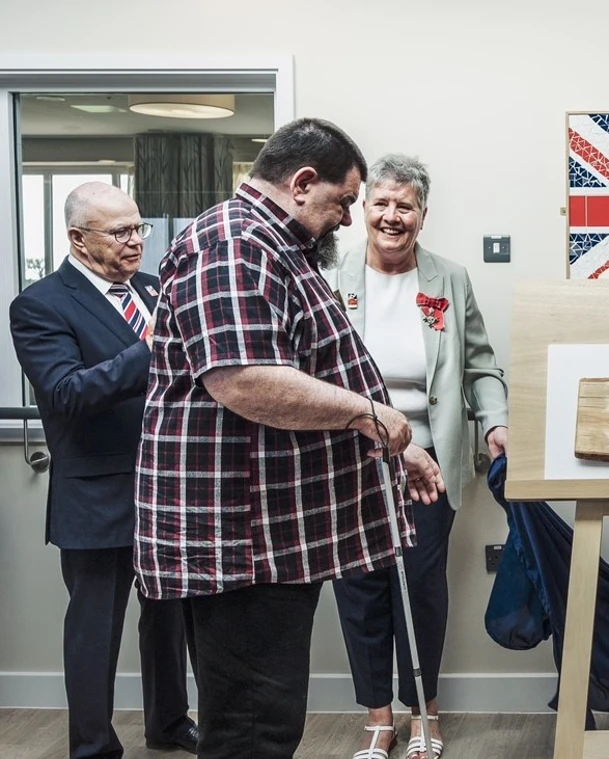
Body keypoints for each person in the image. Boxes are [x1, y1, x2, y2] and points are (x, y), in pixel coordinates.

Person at [134, 118, 443, 759]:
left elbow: (311, 366)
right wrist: (368, 413)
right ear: (303, 184)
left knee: (267, 721)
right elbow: (245, 381)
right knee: (254, 730)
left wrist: (399, 446)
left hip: (269, 538)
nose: (350, 221)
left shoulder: (271, 247)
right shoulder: (233, 244)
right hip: (243, 542)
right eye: (345, 202)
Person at [326, 154, 508, 759]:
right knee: (360, 586)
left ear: (423, 216)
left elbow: (480, 364)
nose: (392, 216)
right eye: (381, 203)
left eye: (405, 205)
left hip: (429, 460)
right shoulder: (329, 275)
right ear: (363, 210)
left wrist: (496, 424)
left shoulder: (448, 279)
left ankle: (425, 713)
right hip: (349, 456)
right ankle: (379, 720)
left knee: (421, 585)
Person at [9, 182, 199, 757]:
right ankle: (92, 745)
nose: (137, 241)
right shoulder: (40, 304)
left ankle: (168, 724)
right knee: (95, 631)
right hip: (96, 495)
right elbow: (66, 393)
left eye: (139, 228)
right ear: (77, 238)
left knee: (167, 621)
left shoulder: (153, 288)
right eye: (120, 232)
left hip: (168, 489)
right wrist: (154, 347)